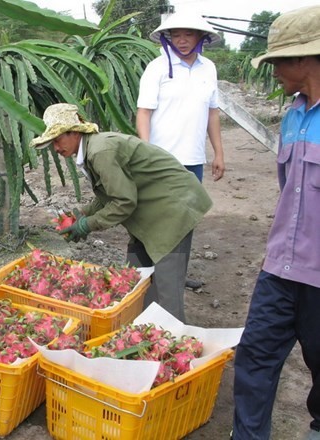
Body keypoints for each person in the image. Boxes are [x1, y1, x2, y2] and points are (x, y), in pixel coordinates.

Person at [30, 103, 212, 322]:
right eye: (52, 144)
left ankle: (172, 340)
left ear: (74, 132)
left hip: (173, 209)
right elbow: (109, 193)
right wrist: (81, 214)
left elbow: (124, 202)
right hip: (151, 212)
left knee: (167, 286)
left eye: (58, 140)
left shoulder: (100, 151)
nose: (56, 149)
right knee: (135, 277)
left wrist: (86, 224)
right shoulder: (92, 151)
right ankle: (143, 327)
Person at [232, 6, 320, 440]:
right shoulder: (292, 117)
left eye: (279, 61)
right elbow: (289, 190)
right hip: (279, 270)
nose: (275, 72)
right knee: (254, 360)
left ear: (306, 60)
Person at [136, 12, 225, 290]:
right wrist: (147, 152)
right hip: (161, 161)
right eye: (176, 35)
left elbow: (212, 113)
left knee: (185, 221)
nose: (182, 40)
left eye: (189, 34)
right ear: (167, 38)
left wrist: (218, 153)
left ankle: (174, 276)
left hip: (193, 161)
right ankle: (143, 277)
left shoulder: (208, 68)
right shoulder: (157, 68)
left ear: (201, 38)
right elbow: (143, 113)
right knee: (153, 219)